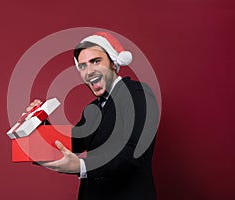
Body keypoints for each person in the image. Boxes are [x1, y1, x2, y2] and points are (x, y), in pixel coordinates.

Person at [27, 32, 159, 200]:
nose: (89, 72)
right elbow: (72, 143)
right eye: (82, 66)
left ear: (113, 63)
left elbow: (135, 153)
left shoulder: (138, 94)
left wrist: (82, 166)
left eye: (96, 61)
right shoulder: (93, 108)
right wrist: (40, 121)